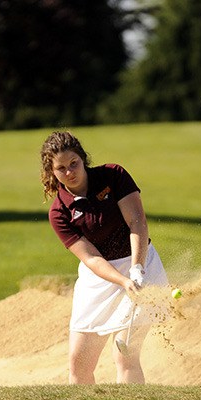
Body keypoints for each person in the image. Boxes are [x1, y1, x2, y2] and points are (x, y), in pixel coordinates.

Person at [40, 130, 168, 385]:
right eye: (61, 168)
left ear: (83, 159)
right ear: (51, 173)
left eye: (74, 164)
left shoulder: (113, 175)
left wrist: (137, 269)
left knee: (125, 354)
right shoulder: (59, 212)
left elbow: (137, 222)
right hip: (99, 278)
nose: (69, 172)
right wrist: (123, 281)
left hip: (141, 264)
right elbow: (91, 258)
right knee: (79, 364)